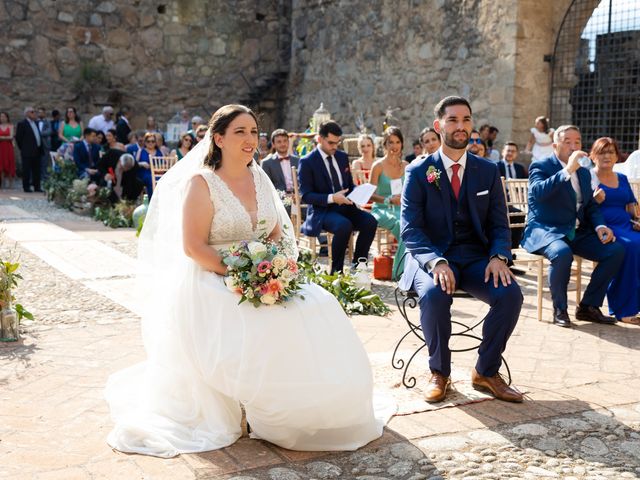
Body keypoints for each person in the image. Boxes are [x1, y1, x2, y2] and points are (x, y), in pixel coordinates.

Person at [104, 104, 388, 458]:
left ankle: (308, 402)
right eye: (240, 132)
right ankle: (251, 405)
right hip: (211, 276)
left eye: (254, 132)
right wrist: (243, 272)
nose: (251, 139)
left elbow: (274, 230)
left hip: (262, 272)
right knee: (253, 320)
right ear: (218, 138)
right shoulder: (201, 183)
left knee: (318, 305)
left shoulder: (258, 177)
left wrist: (274, 267)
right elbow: (193, 247)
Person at [400, 96, 523, 403]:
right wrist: (436, 262)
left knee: (511, 295)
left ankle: (485, 370)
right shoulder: (419, 172)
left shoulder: (488, 170)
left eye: (466, 119)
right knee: (433, 294)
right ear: (438, 125)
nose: (460, 126)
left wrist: (498, 256)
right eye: (453, 120)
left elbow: (498, 224)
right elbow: (411, 229)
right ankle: (439, 372)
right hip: (431, 256)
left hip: (475, 257)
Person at [521, 125, 624, 328]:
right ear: (555, 145)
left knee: (616, 250)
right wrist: (567, 170)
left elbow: (591, 206)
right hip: (546, 229)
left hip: (576, 231)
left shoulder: (584, 173)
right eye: (567, 141)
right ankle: (560, 309)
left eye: (577, 142)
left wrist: (600, 226)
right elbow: (538, 193)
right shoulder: (541, 166)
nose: (573, 146)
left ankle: (588, 307)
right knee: (561, 252)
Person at [298, 121, 378, 274]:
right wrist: (332, 198)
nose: (335, 146)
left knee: (370, 222)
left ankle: (358, 265)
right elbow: (306, 196)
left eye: (337, 142)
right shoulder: (307, 161)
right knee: (344, 225)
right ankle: (336, 272)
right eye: (331, 143)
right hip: (323, 211)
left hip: (346, 205)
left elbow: (348, 186)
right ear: (319, 139)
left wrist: (359, 193)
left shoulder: (341, 157)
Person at [590, 137, 640, 326]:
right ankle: (624, 310)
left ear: (617, 156)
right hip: (603, 227)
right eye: (602, 152)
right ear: (593, 155)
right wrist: (594, 201)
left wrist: (636, 221)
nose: (607, 156)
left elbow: (631, 207)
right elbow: (581, 208)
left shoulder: (623, 178)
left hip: (627, 225)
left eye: (611, 152)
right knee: (633, 246)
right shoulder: (588, 177)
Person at [369, 126, 407, 280]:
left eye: (397, 142)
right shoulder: (377, 166)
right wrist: (387, 200)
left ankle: (407, 268)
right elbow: (370, 195)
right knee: (401, 225)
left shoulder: (406, 166)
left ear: (402, 144)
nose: (394, 146)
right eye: (390, 142)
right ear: (384, 144)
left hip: (401, 208)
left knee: (412, 224)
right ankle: (400, 272)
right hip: (381, 209)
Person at [260, 128, 298, 192]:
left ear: (288, 142)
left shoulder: (298, 160)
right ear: (273, 144)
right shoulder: (266, 163)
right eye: (279, 142)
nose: (283, 144)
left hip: (298, 198)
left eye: (285, 141)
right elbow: (266, 187)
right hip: (278, 199)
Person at [15, 107, 44, 192]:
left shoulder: (36, 122)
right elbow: (18, 138)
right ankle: (26, 187)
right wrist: (23, 148)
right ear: (27, 113)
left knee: (37, 170)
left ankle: (37, 187)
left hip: (37, 150)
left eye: (34, 112)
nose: (34, 113)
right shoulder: (22, 124)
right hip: (27, 151)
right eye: (32, 112)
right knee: (26, 170)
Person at [135, 131, 162, 197]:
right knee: (151, 179)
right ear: (145, 142)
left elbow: (163, 164)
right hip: (144, 173)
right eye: (148, 141)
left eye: (153, 141)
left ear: (155, 142)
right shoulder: (141, 151)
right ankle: (151, 200)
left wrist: (156, 167)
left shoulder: (159, 152)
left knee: (162, 179)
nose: (150, 143)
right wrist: (142, 164)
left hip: (156, 173)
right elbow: (135, 164)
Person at [0, 112, 16, 188]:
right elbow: (8, 137)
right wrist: (6, 137)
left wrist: (2, 138)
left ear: (7, 118)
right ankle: (2, 183)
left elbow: (11, 137)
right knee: (1, 164)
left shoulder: (11, 126)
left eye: (4, 116)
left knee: (9, 164)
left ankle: (11, 184)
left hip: (8, 147)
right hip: (1, 148)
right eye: (1, 116)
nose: (2, 118)